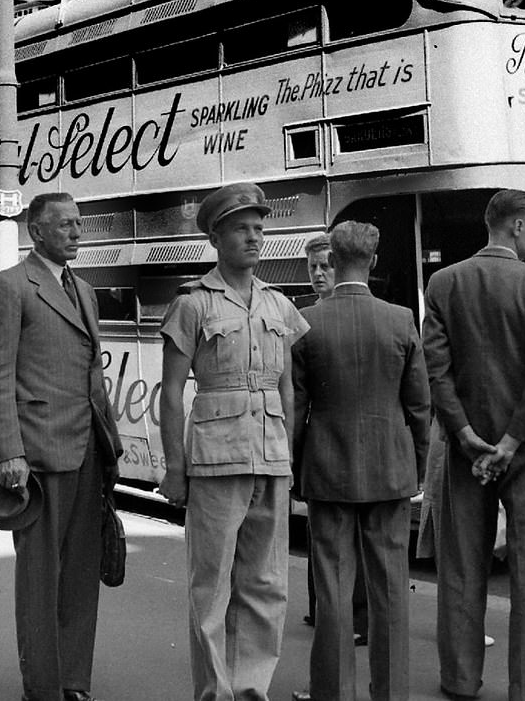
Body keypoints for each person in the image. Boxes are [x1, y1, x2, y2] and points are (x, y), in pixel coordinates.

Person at [158, 182, 308, 701]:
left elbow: (288, 387)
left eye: (259, 228)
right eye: (242, 228)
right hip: (216, 459)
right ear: (216, 237)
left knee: (266, 585)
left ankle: (251, 691)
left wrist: (290, 456)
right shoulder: (193, 305)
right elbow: (172, 393)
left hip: (270, 458)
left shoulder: (280, 305)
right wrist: (174, 469)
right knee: (212, 587)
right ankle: (215, 694)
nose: (254, 236)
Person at [0, 192, 122, 701]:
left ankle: (73, 682)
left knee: (81, 576)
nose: (78, 232)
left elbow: (92, 378)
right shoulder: (9, 287)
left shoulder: (84, 289)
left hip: (87, 452)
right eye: (65, 224)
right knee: (40, 581)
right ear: (36, 231)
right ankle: (42, 688)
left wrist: (112, 445)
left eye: (79, 223)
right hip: (37, 455)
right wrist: (6, 451)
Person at [422, 189, 525, 701]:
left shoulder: (443, 283)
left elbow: (435, 371)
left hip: (464, 449)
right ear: (518, 227)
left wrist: (463, 433)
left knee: (461, 564)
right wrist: (510, 439)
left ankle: (460, 678)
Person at [292, 222, 431, 701]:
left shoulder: (307, 321)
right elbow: (419, 406)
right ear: (372, 262)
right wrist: (416, 462)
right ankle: (390, 693)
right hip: (390, 469)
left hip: (327, 468)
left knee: (331, 587)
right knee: (391, 587)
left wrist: (295, 467)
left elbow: (296, 407)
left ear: (332, 261)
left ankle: (333, 693)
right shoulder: (400, 319)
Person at [299, 233, 369, 645]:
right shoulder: (304, 317)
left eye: (326, 265)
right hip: (319, 442)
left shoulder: (344, 313)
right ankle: (320, 610)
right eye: (313, 267)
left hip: (350, 439)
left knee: (350, 536)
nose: (319, 274)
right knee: (320, 534)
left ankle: (354, 618)